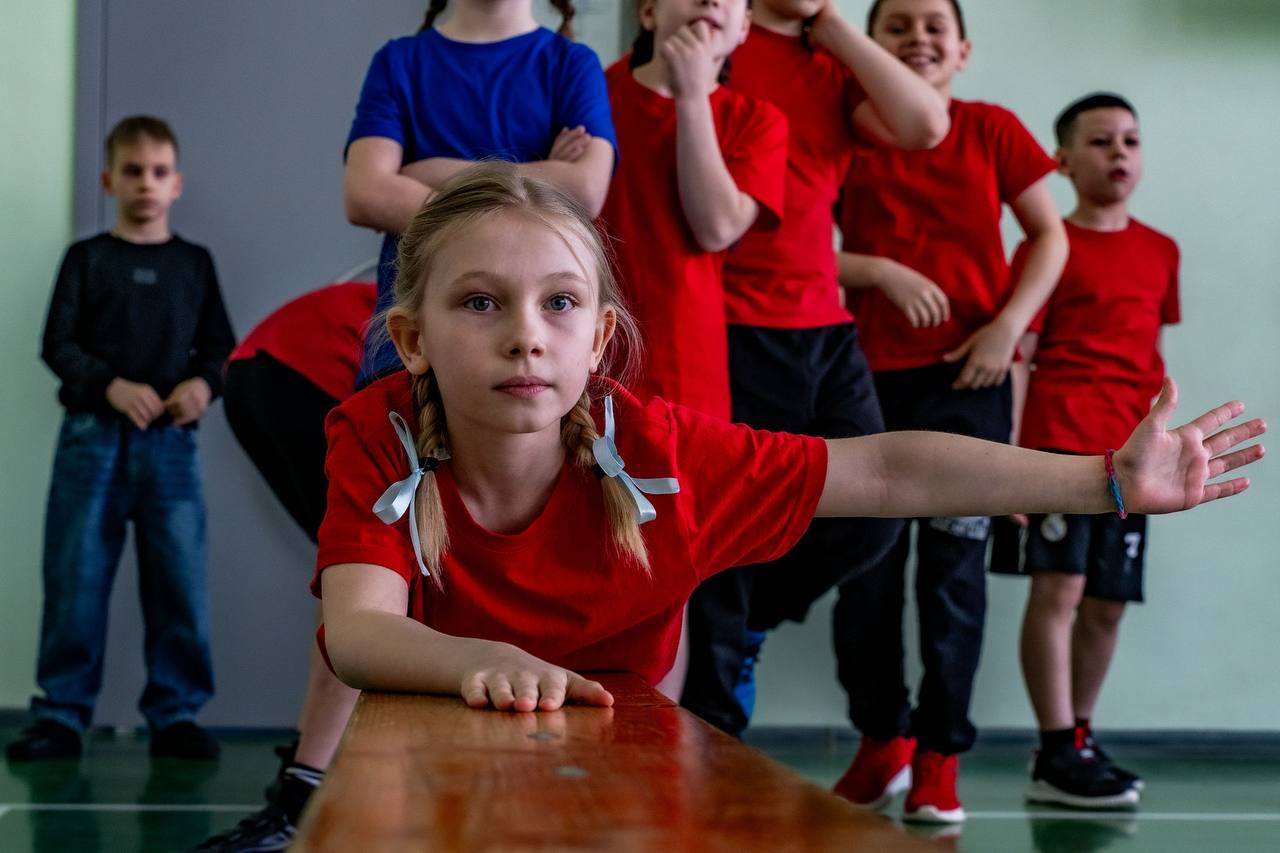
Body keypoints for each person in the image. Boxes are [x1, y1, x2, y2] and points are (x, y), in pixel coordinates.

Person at [313, 165, 1262, 772]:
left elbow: (888, 472)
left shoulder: (662, 453)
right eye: (481, 303)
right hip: (427, 740)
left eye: (559, 303)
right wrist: (487, 662)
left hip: (608, 750)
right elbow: (358, 633)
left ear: (600, 336)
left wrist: (1103, 480)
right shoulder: (378, 432)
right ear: (413, 338)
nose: (526, 335)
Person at [679, 0, 949, 742]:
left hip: (824, 328)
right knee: (730, 525)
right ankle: (711, 728)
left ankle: (748, 625)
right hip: (730, 323)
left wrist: (829, 25)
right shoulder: (717, 36)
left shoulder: (835, 61)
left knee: (873, 514)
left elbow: (926, 124)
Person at [831, 0, 1069, 822]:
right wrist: (874, 271)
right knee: (862, 578)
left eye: (934, 24)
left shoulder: (993, 129)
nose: (918, 37)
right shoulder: (842, 130)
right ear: (868, 44)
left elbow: (1050, 236)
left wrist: (1008, 328)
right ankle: (883, 741)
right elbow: (789, 245)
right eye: (896, 24)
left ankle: (939, 755)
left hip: (969, 381)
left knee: (953, 581)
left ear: (963, 49)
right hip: (857, 383)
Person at [7, 116, 235, 764]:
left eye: (159, 172)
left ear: (177, 184)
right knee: (76, 577)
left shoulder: (194, 264)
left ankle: (177, 713)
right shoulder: (87, 259)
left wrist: (203, 385)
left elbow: (221, 348)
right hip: (91, 440)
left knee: (179, 582)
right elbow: (57, 343)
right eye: (132, 171)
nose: (146, 183)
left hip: (170, 447)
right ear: (109, 180)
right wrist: (106, 385)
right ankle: (60, 714)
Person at [994, 93, 1180, 809]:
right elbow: (1021, 353)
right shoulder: (1046, 246)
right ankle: (1052, 750)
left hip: (1135, 461)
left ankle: (1080, 735)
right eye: (1101, 141)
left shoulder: (1162, 249)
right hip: (1058, 449)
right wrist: (1008, 462)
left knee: (1107, 602)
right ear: (1064, 162)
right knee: (1061, 590)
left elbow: (1150, 354)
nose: (1120, 153)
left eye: (1131, 140)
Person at [344, 0, 617, 387]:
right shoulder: (399, 60)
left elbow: (586, 190)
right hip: (416, 328)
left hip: (534, 339)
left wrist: (433, 172)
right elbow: (367, 192)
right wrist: (539, 180)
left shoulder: (571, 63)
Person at [192, 282, 376, 851]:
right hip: (299, 370)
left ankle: (306, 793)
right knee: (365, 588)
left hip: (260, 367)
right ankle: (302, 801)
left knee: (362, 584)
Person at [599, 0, 788, 420]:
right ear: (649, 12)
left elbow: (716, 227)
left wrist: (690, 95)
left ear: (744, 28)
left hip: (686, 359)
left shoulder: (758, 121)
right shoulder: (590, 94)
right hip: (586, 345)